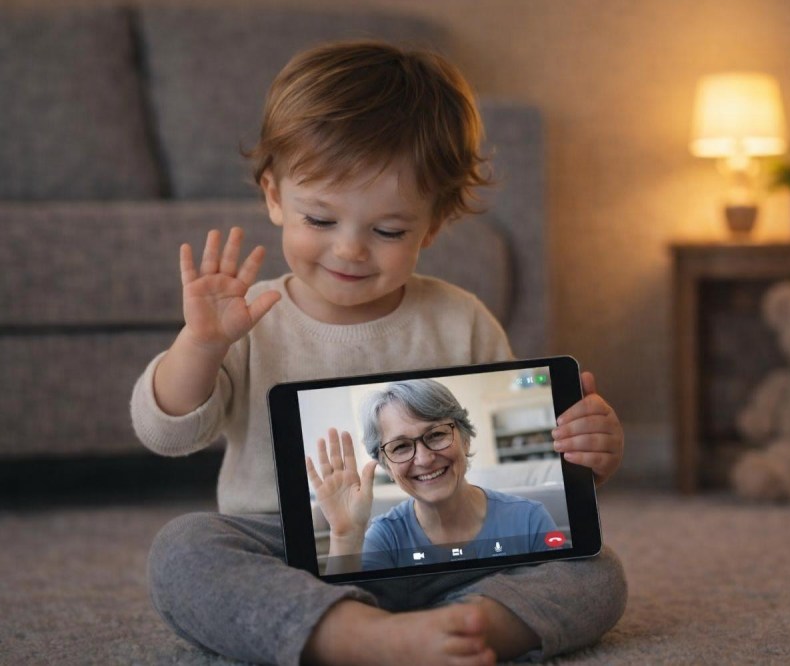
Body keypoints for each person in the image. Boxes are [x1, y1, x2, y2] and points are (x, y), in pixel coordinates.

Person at [132, 40, 627, 666]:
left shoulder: (461, 317)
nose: (349, 251)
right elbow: (165, 431)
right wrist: (200, 344)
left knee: (596, 570)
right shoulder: (249, 319)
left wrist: (585, 459)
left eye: (388, 231)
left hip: (451, 563)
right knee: (185, 547)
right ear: (274, 195)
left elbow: (543, 475)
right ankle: (362, 638)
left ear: (434, 225)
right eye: (320, 219)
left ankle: (457, 629)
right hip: (288, 551)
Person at [309, 379, 560, 573]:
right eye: (401, 447)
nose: (424, 458)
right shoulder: (386, 538)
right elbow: (352, 625)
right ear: (386, 466)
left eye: (437, 435)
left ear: (465, 439)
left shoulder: (529, 519)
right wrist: (345, 536)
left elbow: (562, 594)